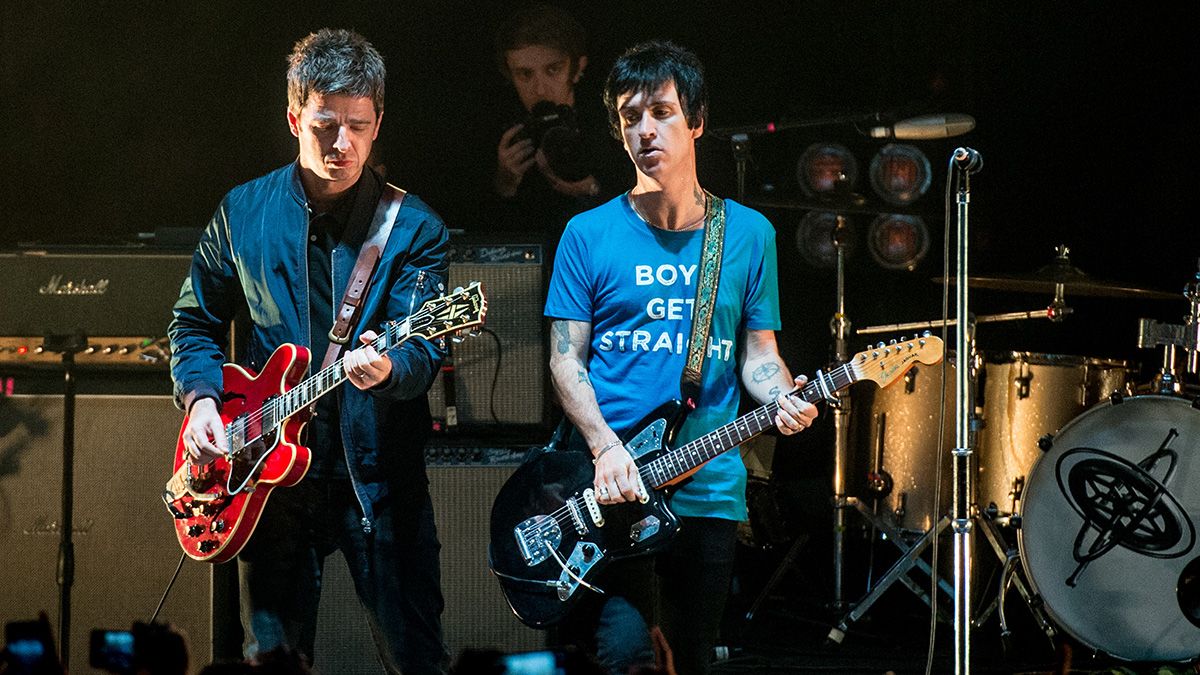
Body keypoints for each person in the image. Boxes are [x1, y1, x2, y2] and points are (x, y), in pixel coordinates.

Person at [168, 29, 449, 675]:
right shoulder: (243, 211)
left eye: (358, 125)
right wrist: (203, 401)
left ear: (378, 125)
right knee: (272, 658)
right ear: (295, 117)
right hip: (266, 482)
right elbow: (193, 322)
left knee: (417, 657)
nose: (342, 143)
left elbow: (422, 345)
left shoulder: (415, 229)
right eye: (325, 125)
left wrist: (388, 368)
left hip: (378, 481)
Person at [542, 41, 819, 675]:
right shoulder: (587, 233)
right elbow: (565, 361)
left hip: (709, 492)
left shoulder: (748, 235)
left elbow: (759, 356)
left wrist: (782, 397)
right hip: (613, 489)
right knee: (624, 653)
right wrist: (605, 446)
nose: (645, 130)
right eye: (629, 116)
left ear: (695, 121)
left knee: (690, 659)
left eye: (662, 112)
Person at [489, 3, 630, 244]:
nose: (540, 89)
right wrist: (505, 184)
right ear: (510, 76)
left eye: (553, 70)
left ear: (577, 69)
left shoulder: (616, 127)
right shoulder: (507, 136)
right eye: (525, 74)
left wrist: (593, 190)